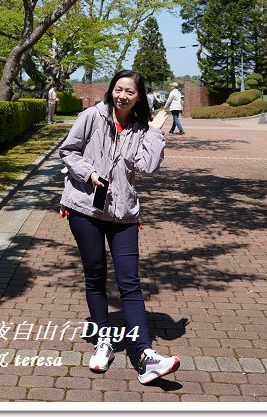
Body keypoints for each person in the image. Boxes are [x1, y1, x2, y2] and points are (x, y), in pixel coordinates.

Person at [59, 69, 180, 385]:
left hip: (123, 214)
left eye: (130, 91)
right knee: (95, 275)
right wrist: (88, 173)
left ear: (139, 97)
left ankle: (144, 353)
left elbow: (148, 166)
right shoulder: (91, 116)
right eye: (119, 89)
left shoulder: (142, 128)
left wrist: (154, 130)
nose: (123, 95)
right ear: (111, 90)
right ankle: (103, 341)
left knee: (130, 282)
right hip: (85, 208)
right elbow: (68, 151)